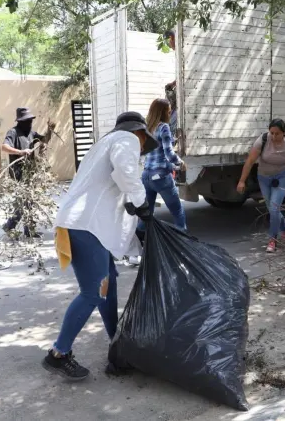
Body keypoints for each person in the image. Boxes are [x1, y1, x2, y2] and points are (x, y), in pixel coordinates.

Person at [42, 111, 158, 380]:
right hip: (86, 226)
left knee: (109, 284)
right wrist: (141, 202)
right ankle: (58, 354)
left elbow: (109, 184)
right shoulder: (127, 139)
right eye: (143, 142)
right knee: (93, 292)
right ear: (139, 132)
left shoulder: (102, 145)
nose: (141, 148)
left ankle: (116, 340)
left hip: (82, 223)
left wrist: (130, 202)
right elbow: (126, 171)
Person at [237, 119, 285, 253]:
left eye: (277, 134)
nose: (273, 136)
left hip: (282, 177)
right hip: (264, 178)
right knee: (271, 208)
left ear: (284, 133)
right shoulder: (262, 140)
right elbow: (250, 161)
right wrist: (241, 181)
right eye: (271, 133)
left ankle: (273, 240)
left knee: (274, 207)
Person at [1, 107, 55, 238]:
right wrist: (21, 152)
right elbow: (4, 147)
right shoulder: (13, 132)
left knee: (29, 201)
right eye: (27, 121)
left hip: (30, 171)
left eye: (30, 120)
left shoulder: (31, 133)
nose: (29, 123)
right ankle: (10, 226)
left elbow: (44, 140)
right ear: (20, 121)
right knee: (23, 201)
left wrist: (50, 130)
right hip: (18, 172)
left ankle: (28, 230)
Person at [139, 98, 187, 233]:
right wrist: (180, 162)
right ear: (163, 112)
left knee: (147, 214)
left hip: (146, 176)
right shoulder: (163, 127)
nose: (170, 111)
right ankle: (182, 242)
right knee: (177, 211)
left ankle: (139, 241)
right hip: (160, 176)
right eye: (168, 109)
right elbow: (169, 153)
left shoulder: (146, 128)